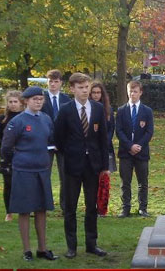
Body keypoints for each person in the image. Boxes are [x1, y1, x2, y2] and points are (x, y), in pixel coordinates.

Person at [1, 86, 59, 261]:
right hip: (24, 171)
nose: (38, 102)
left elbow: (49, 140)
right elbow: (6, 148)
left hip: (42, 170)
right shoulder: (17, 122)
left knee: (41, 209)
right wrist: (20, 159)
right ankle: (27, 250)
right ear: (26, 101)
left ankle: (42, 248)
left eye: (40, 99)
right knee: (24, 210)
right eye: (34, 99)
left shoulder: (46, 119)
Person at [55, 72, 109, 258]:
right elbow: (59, 138)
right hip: (72, 165)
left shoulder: (98, 108)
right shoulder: (65, 110)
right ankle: (71, 246)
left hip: (93, 165)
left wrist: (104, 165)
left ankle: (91, 244)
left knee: (91, 206)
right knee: (70, 207)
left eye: (86, 87)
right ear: (72, 89)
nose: (85, 91)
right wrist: (70, 153)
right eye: (80, 88)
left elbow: (103, 138)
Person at [115, 80, 154, 218]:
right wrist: (129, 145)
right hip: (126, 152)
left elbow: (149, 132)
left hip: (141, 152)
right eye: (130, 91)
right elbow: (118, 131)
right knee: (125, 182)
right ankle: (125, 208)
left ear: (140, 93)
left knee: (143, 182)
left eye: (135, 91)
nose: (132, 94)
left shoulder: (147, 111)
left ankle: (142, 208)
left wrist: (138, 146)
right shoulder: (121, 111)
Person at [41, 69, 71, 213]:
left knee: (65, 176)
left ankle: (65, 206)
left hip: (63, 144)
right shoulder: (41, 99)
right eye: (50, 81)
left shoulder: (67, 100)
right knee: (44, 175)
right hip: (45, 143)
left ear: (61, 83)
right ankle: (44, 204)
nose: (53, 84)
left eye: (56, 81)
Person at [0, 90, 23, 222]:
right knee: (8, 183)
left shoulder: (24, 117)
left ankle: (24, 209)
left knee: (23, 183)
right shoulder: (2, 119)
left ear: (21, 102)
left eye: (15, 102)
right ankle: (9, 211)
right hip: (7, 155)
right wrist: (8, 145)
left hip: (22, 154)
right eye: (10, 102)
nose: (13, 104)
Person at [91, 82, 117, 173]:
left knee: (105, 176)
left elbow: (111, 127)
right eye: (94, 92)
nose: (96, 95)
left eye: (98, 92)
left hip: (106, 146)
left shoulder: (108, 109)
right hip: (92, 146)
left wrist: (106, 141)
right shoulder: (87, 108)